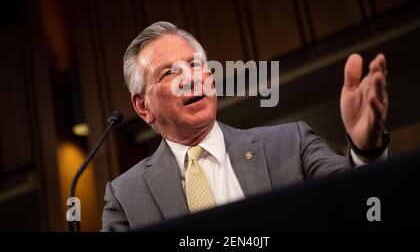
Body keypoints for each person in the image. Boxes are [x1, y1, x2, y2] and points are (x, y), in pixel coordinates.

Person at [101, 21, 389, 231]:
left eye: (195, 65)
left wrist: (366, 151)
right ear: (143, 106)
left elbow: (356, 206)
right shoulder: (126, 197)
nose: (190, 78)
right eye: (168, 73)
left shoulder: (291, 143)